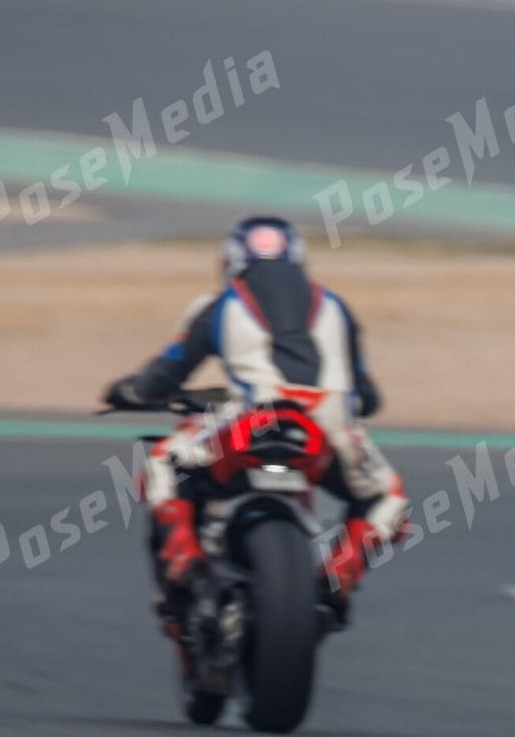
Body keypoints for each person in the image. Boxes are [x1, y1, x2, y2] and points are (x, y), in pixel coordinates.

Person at [103, 217, 410, 636]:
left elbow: (164, 375)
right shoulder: (336, 306)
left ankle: (183, 560)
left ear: (231, 262)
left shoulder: (222, 305)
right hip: (329, 424)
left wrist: (128, 391)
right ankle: (340, 575)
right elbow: (368, 396)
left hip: (255, 415)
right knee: (386, 496)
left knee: (163, 463)